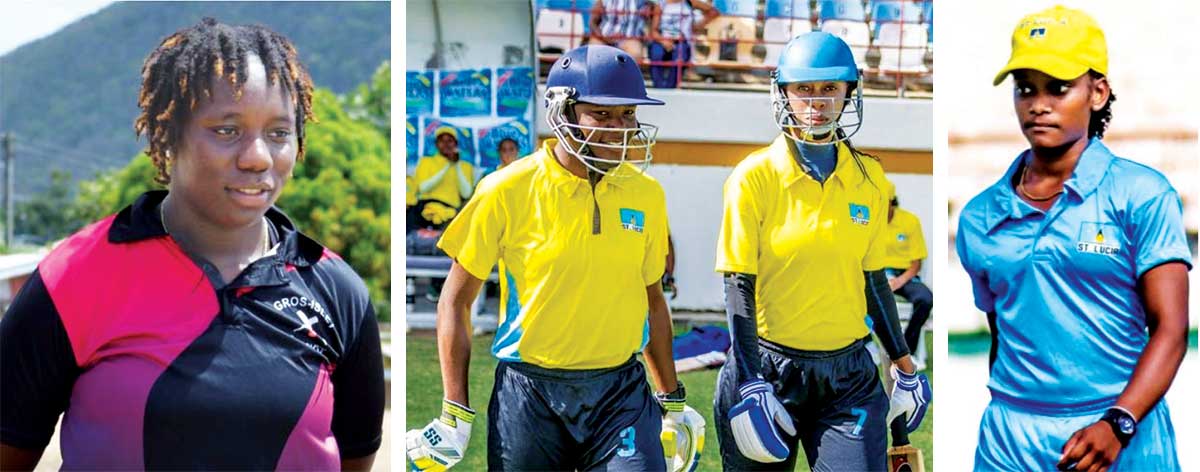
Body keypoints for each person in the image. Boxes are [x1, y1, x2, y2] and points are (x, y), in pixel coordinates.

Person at [0, 18, 384, 470]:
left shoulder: (337, 293)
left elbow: (356, 457)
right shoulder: (76, 277)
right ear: (167, 137)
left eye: (279, 133)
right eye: (227, 130)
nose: (257, 157)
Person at [406, 44, 703, 472]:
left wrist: (673, 400)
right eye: (601, 115)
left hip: (621, 391)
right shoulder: (505, 189)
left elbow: (653, 300)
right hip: (529, 394)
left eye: (627, 115)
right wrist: (455, 409)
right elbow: (454, 301)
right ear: (563, 113)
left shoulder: (647, 194)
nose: (619, 129)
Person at [957, 6, 1189, 472]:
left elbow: (1171, 329)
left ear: (1097, 92)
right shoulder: (978, 216)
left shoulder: (1142, 194)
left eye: (1059, 88)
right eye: (1026, 88)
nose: (1038, 104)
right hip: (1010, 439)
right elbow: (1004, 333)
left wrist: (1119, 422)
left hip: (1122, 431)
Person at [713, 32, 931, 470]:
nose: (816, 101)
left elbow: (873, 281)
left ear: (850, 92)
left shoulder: (869, 178)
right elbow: (738, 284)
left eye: (829, 88)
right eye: (804, 89)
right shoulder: (752, 177)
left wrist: (905, 365)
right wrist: (752, 381)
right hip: (768, 369)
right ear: (784, 93)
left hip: (848, 374)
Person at [882, 194, 932, 369]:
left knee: (925, 299)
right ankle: (869, 347)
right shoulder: (867, 220)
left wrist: (898, 281)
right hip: (877, 274)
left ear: (892, 202)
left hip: (905, 275)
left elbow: (916, 263)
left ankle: (906, 350)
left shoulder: (910, 221)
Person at [412, 127, 475, 231]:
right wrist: (447, 166)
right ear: (436, 144)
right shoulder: (426, 161)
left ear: (456, 144)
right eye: (442, 140)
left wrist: (456, 165)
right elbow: (423, 188)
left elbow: (466, 193)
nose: (446, 144)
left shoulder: (465, 166)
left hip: (450, 212)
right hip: (424, 208)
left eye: (449, 141)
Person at [648, 0, 718, 88]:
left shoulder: (689, 2)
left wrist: (696, 27)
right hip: (662, 40)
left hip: (681, 40)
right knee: (656, 54)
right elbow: (653, 31)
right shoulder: (661, 5)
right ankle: (658, 87)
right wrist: (664, 41)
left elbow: (713, 12)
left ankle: (670, 88)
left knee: (680, 56)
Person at [590, 0, 658, 62]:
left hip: (629, 38)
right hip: (604, 37)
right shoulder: (603, 1)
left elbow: (656, 6)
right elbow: (593, 23)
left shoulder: (642, 2)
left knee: (635, 53)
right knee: (594, 50)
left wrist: (651, 6)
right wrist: (604, 38)